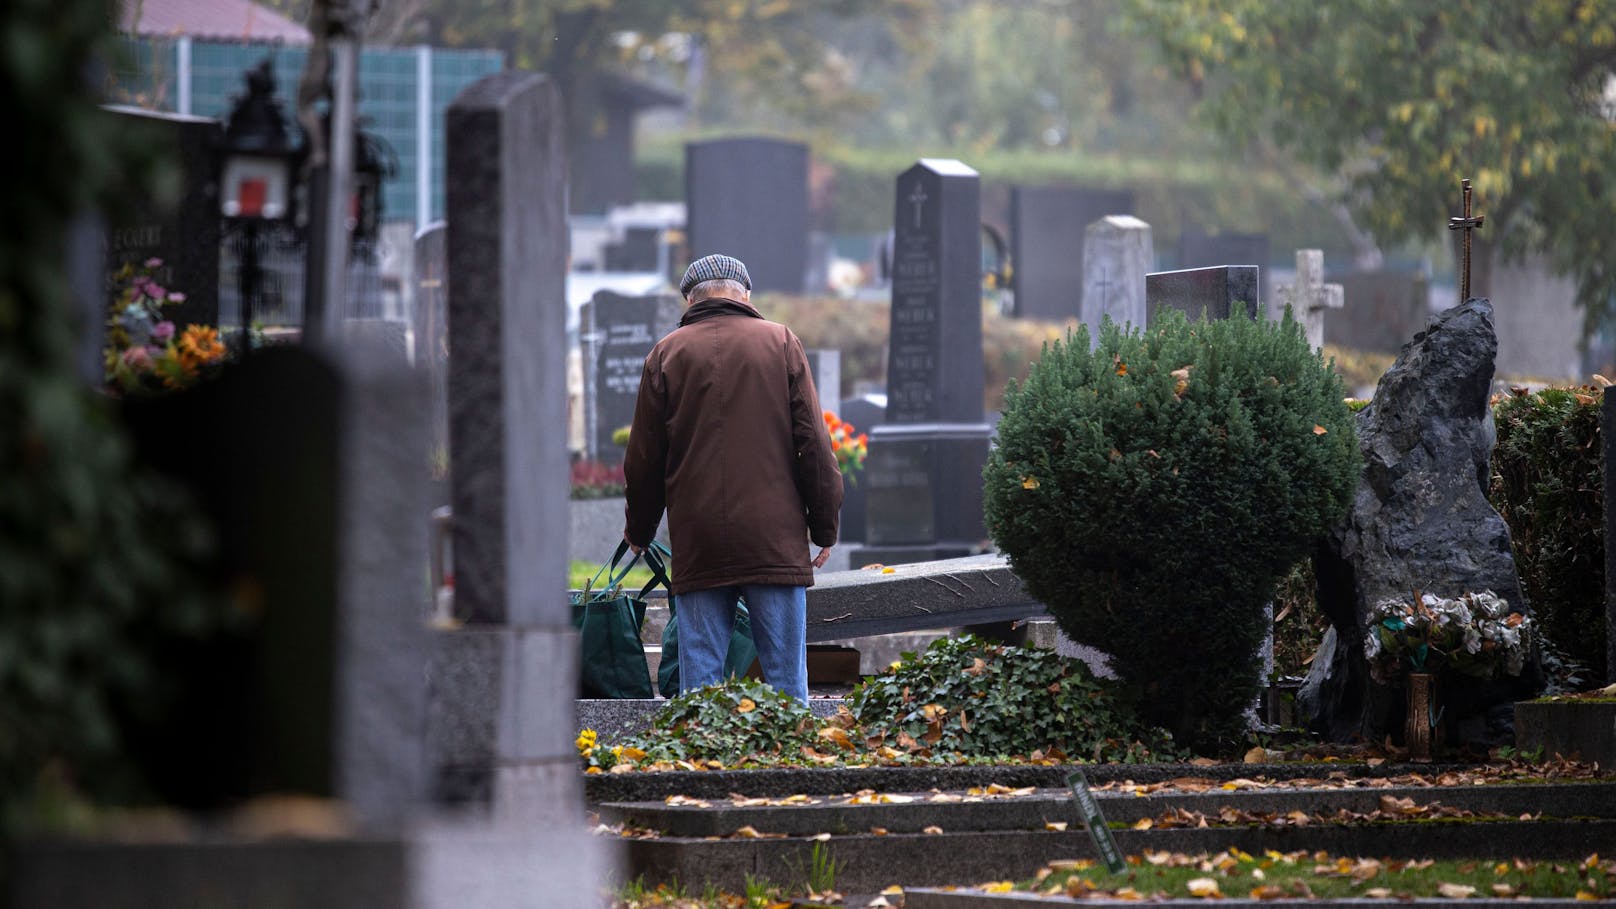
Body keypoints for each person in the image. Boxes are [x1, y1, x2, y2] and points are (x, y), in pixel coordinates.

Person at [622, 254, 843, 704]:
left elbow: (644, 459)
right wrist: (824, 527)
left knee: (699, 691)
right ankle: (790, 769)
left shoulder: (664, 355)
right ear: (745, 294)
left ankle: (702, 768)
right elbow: (814, 446)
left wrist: (639, 531)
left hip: (699, 539)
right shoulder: (781, 343)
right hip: (773, 539)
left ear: (690, 299)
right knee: (786, 687)